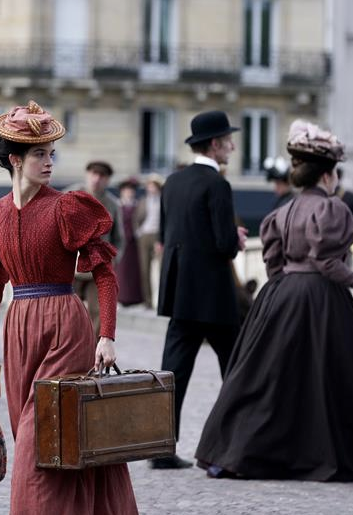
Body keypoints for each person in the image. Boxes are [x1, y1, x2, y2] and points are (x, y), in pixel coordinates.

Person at [195, 120, 353, 481]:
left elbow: (273, 263)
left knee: (268, 378)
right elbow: (327, 264)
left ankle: (238, 451)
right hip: (324, 299)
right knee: (339, 380)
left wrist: (281, 300)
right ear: (328, 176)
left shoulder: (281, 212)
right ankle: (336, 453)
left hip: (282, 295)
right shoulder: (334, 210)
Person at [0, 101, 138, 515]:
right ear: (14, 159)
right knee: (54, 444)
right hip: (19, 331)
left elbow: (105, 274)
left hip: (65, 328)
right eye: (39, 154)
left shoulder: (66, 208)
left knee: (36, 438)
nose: (49, 161)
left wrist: (107, 335)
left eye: (51, 153)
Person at [152, 110, 248, 469]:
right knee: (237, 369)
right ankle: (237, 445)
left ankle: (161, 449)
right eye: (228, 141)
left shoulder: (173, 182)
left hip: (180, 292)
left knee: (172, 373)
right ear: (214, 144)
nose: (233, 146)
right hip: (213, 294)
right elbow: (224, 243)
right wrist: (236, 239)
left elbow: (166, 237)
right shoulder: (217, 184)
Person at [66, 161, 124, 337]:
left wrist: (112, 260)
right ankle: (67, 352)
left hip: (97, 268)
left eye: (102, 176)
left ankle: (92, 355)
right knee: (66, 311)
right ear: (87, 174)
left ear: (107, 180)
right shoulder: (71, 196)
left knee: (97, 313)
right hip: (70, 266)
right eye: (93, 174)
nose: (97, 179)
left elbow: (119, 239)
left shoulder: (112, 204)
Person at [135, 173, 163, 309]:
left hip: (158, 236)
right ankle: (148, 301)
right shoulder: (142, 201)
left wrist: (161, 239)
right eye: (149, 186)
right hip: (144, 236)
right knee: (144, 269)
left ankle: (161, 300)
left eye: (153, 186)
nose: (151, 188)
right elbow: (136, 218)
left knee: (161, 270)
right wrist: (138, 232)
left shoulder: (163, 201)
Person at [115, 177, 143, 306]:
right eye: (127, 190)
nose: (129, 193)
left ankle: (134, 297)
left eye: (131, 190)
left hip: (134, 242)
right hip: (120, 241)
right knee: (121, 270)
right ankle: (121, 296)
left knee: (134, 270)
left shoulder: (137, 205)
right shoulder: (117, 205)